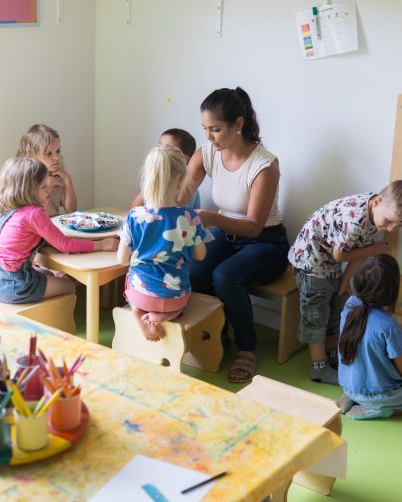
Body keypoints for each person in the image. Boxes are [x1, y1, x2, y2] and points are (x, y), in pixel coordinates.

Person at [182, 87, 289, 383]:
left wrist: (211, 218)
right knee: (194, 271)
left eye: (215, 129)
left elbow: (254, 225)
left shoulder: (265, 165)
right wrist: (148, 204)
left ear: (238, 125)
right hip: (225, 234)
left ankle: (248, 346)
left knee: (225, 276)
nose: (208, 137)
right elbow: (181, 195)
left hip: (265, 242)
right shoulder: (207, 154)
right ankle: (217, 332)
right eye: (205, 128)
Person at [289, 181, 402, 384]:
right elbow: (341, 254)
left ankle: (332, 355)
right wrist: (376, 249)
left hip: (328, 264)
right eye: (389, 222)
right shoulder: (356, 220)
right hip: (310, 263)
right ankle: (319, 368)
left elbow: (358, 251)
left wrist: (345, 281)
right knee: (315, 317)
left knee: (336, 307)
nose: (392, 229)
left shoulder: (376, 214)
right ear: (377, 201)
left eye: (398, 225)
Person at [0, 157, 118, 303]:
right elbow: (64, 245)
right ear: (27, 190)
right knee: (69, 285)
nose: (49, 189)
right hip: (14, 286)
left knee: (47, 272)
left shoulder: (7, 209)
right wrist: (101, 244)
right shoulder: (34, 214)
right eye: (43, 187)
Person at [117, 145, 207, 341]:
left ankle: (137, 311)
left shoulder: (134, 216)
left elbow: (122, 260)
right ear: (181, 180)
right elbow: (201, 255)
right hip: (175, 297)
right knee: (183, 303)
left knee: (130, 286)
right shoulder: (190, 217)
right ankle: (167, 315)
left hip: (141, 296)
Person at [336, 254, 402, 419]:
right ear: (391, 290)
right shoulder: (388, 325)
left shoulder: (349, 306)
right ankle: (382, 410)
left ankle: (351, 397)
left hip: (349, 384)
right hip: (378, 394)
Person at [130, 128, 201, 210]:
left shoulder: (193, 191)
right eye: (159, 146)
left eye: (168, 149)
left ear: (185, 159)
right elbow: (134, 208)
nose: (161, 152)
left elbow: (197, 218)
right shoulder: (155, 182)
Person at [16, 124, 77, 216]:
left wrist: (67, 179)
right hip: (34, 227)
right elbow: (29, 215)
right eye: (49, 153)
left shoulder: (57, 177)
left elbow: (72, 212)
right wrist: (46, 185)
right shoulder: (24, 180)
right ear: (32, 156)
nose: (56, 157)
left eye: (58, 151)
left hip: (52, 226)